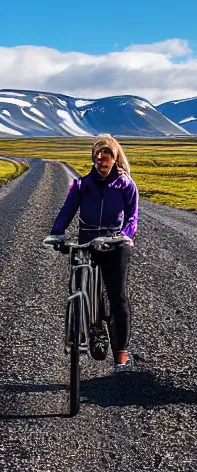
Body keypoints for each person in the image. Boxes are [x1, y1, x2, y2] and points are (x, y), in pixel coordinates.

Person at [48, 134, 139, 368]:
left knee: (117, 295)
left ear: (115, 157)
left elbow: (132, 217)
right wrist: (57, 233)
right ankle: (92, 326)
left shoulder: (126, 185)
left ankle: (121, 351)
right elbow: (67, 211)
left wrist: (126, 236)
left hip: (115, 243)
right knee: (82, 286)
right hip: (87, 241)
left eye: (106, 157)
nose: (101, 162)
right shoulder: (81, 185)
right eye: (97, 158)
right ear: (93, 159)